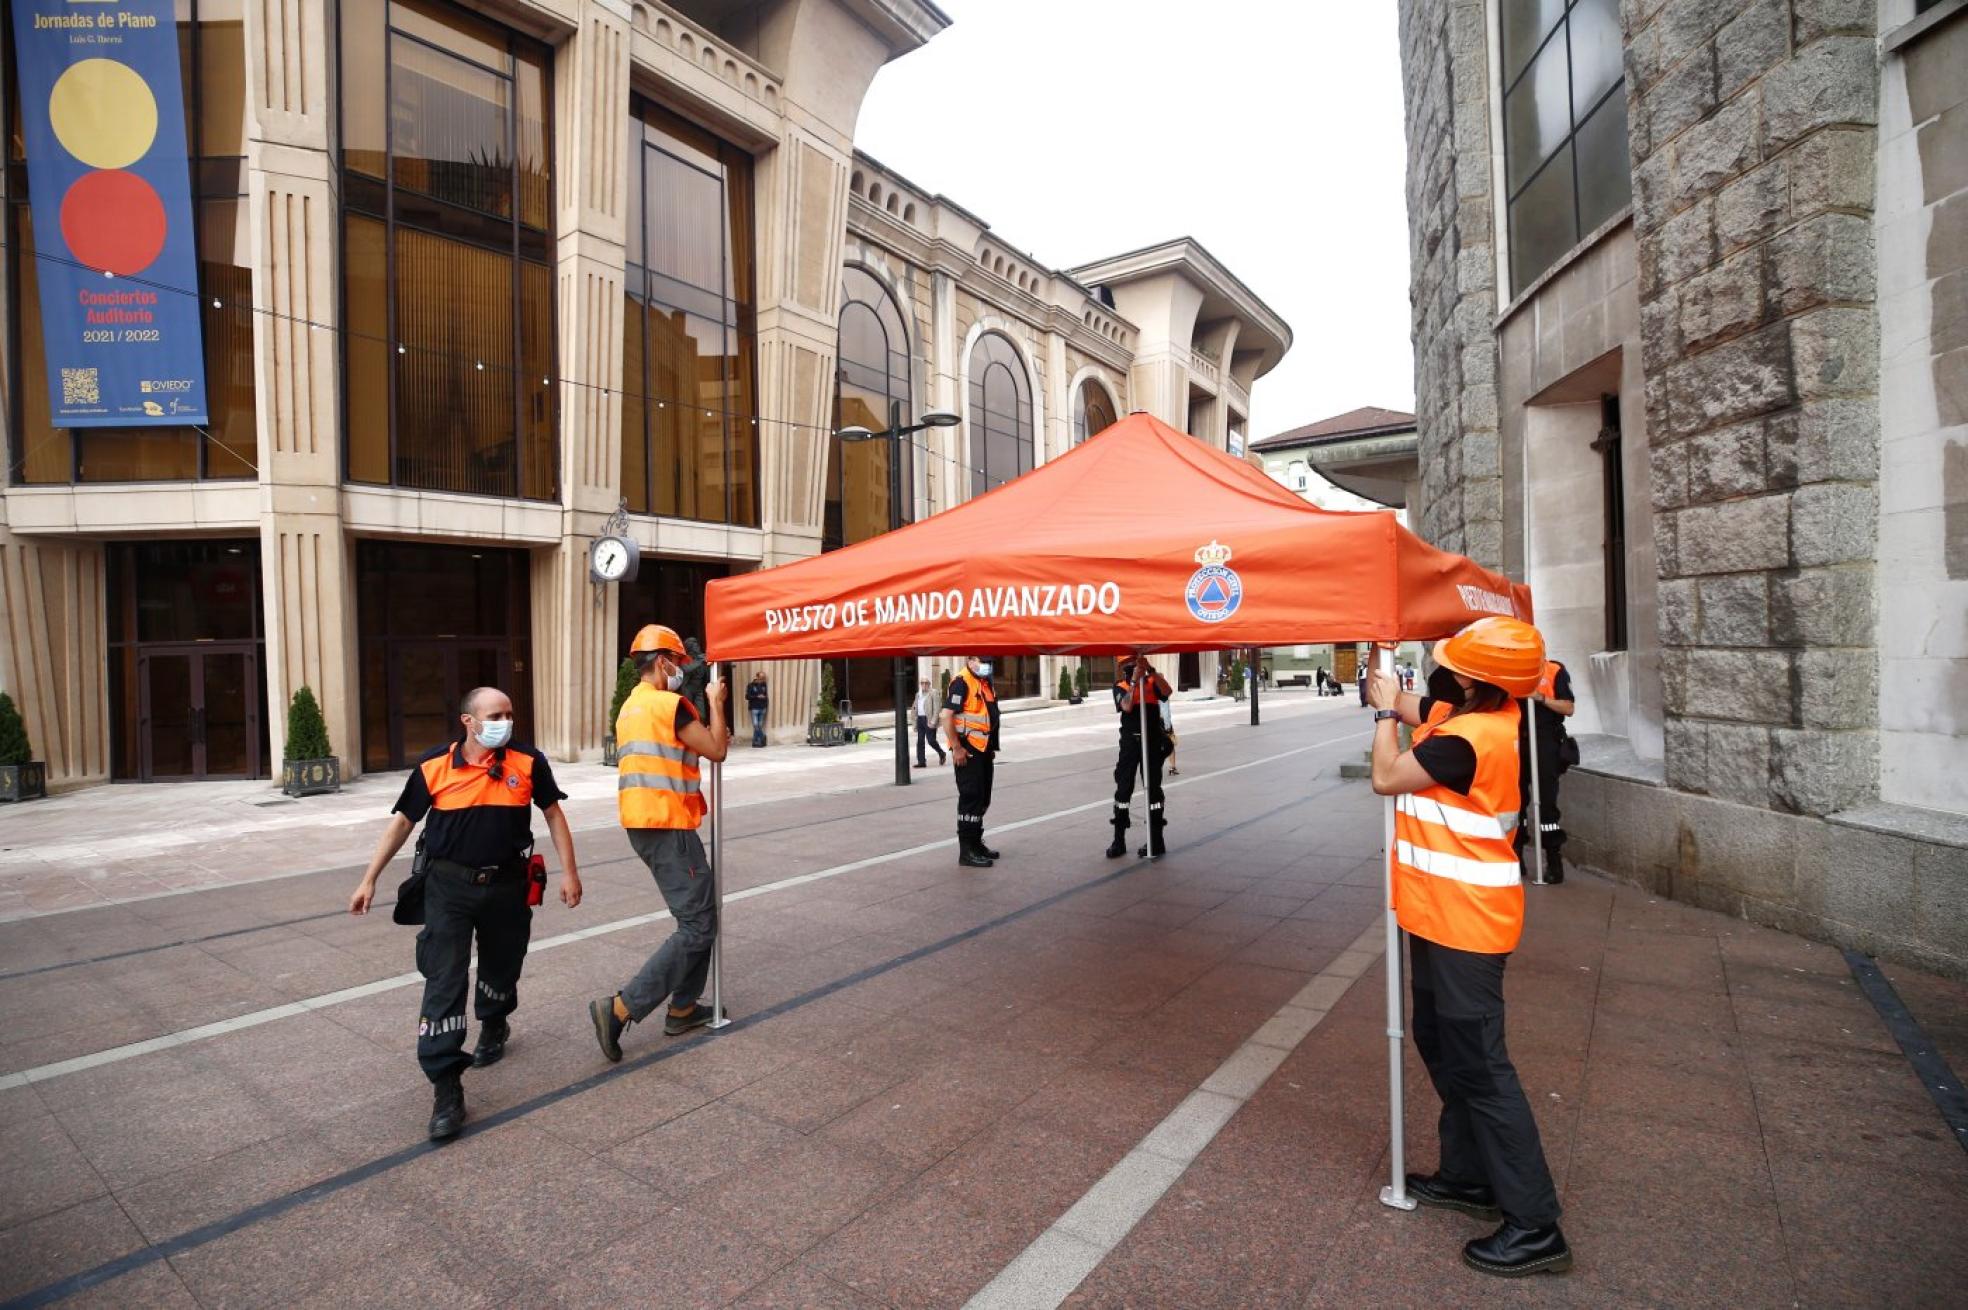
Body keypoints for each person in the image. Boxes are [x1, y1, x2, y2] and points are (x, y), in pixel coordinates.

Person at [1365, 617, 1571, 1278]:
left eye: (1453, 662)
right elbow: (1415, 704)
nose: (1443, 668)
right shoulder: (1488, 710)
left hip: (1466, 924)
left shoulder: (1467, 739)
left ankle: (1536, 1225)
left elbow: (1388, 776)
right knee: (1439, 1038)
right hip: (1439, 914)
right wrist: (1386, 681)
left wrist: (1378, 719)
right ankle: (1469, 1176)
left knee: (1480, 1065)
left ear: (1473, 676)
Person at [348, 686, 581, 1141]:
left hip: (508, 885)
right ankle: (446, 1085)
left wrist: (570, 872)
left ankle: (494, 1021)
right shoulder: (435, 764)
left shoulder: (529, 762)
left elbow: (552, 814)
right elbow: (403, 822)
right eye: (496, 714)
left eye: (510, 714)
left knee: (503, 962)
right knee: (445, 978)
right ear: (468, 721)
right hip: (448, 888)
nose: (506, 722)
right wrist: (369, 878)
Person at [589, 624, 729, 1062]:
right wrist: (716, 704)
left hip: (643, 821)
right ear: (664, 662)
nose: (681, 671)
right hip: (668, 823)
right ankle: (620, 1008)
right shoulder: (670, 705)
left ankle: (684, 1008)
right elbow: (717, 749)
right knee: (697, 924)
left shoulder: (631, 706)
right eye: (679, 664)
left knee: (701, 915)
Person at [1107, 655, 1174, 857]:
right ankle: (1119, 841)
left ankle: (1156, 841)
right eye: (1129, 666)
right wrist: (1134, 682)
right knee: (1123, 789)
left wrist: (1151, 671)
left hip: (1152, 741)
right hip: (1130, 743)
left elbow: (1167, 692)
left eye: (1135, 665)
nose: (1132, 668)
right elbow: (1126, 706)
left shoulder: (1154, 681)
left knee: (1153, 790)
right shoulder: (1120, 686)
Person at [941, 655, 1001, 867]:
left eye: (990, 662)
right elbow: (946, 716)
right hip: (968, 751)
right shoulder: (962, 681)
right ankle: (966, 851)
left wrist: (991, 747)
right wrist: (956, 747)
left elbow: (988, 716)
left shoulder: (984, 682)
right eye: (983, 661)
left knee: (983, 799)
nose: (987, 665)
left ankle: (976, 844)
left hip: (983, 749)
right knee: (971, 798)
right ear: (970, 659)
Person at [1520, 659, 1575, 884]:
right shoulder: (1510, 671)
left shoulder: (1554, 671)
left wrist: (1541, 698)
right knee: (1515, 802)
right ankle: (1516, 855)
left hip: (1546, 741)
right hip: (1517, 739)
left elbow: (1568, 707)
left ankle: (1553, 860)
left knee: (1547, 802)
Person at [912, 677, 946, 768]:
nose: (924, 685)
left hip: (929, 719)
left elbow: (937, 708)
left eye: (926, 683)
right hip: (920, 719)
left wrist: (933, 721)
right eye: (922, 683)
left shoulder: (933, 693)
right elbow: (915, 708)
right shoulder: (918, 694)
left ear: (929, 684)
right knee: (920, 741)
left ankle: (941, 752)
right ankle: (921, 762)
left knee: (931, 740)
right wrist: (915, 723)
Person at [745, 671, 769, 748]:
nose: (763, 679)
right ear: (757, 677)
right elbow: (747, 696)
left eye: (764, 678)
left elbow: (766, 696)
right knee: (756, 725)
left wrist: (765, 705)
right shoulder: (750, 685)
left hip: (762, 708)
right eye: (762, 678)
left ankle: (755, 742)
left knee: (759, 725)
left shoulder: (764, 685)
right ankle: (763, 737)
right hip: (754, 708)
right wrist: (757, 697)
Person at [1162, 695, 1179, 776]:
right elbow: (1166, 711)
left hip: (1153, 721)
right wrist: (1168, 726)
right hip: (1163, 722)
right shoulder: (1162, 693)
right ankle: (1172, 767)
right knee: (1170, 744)